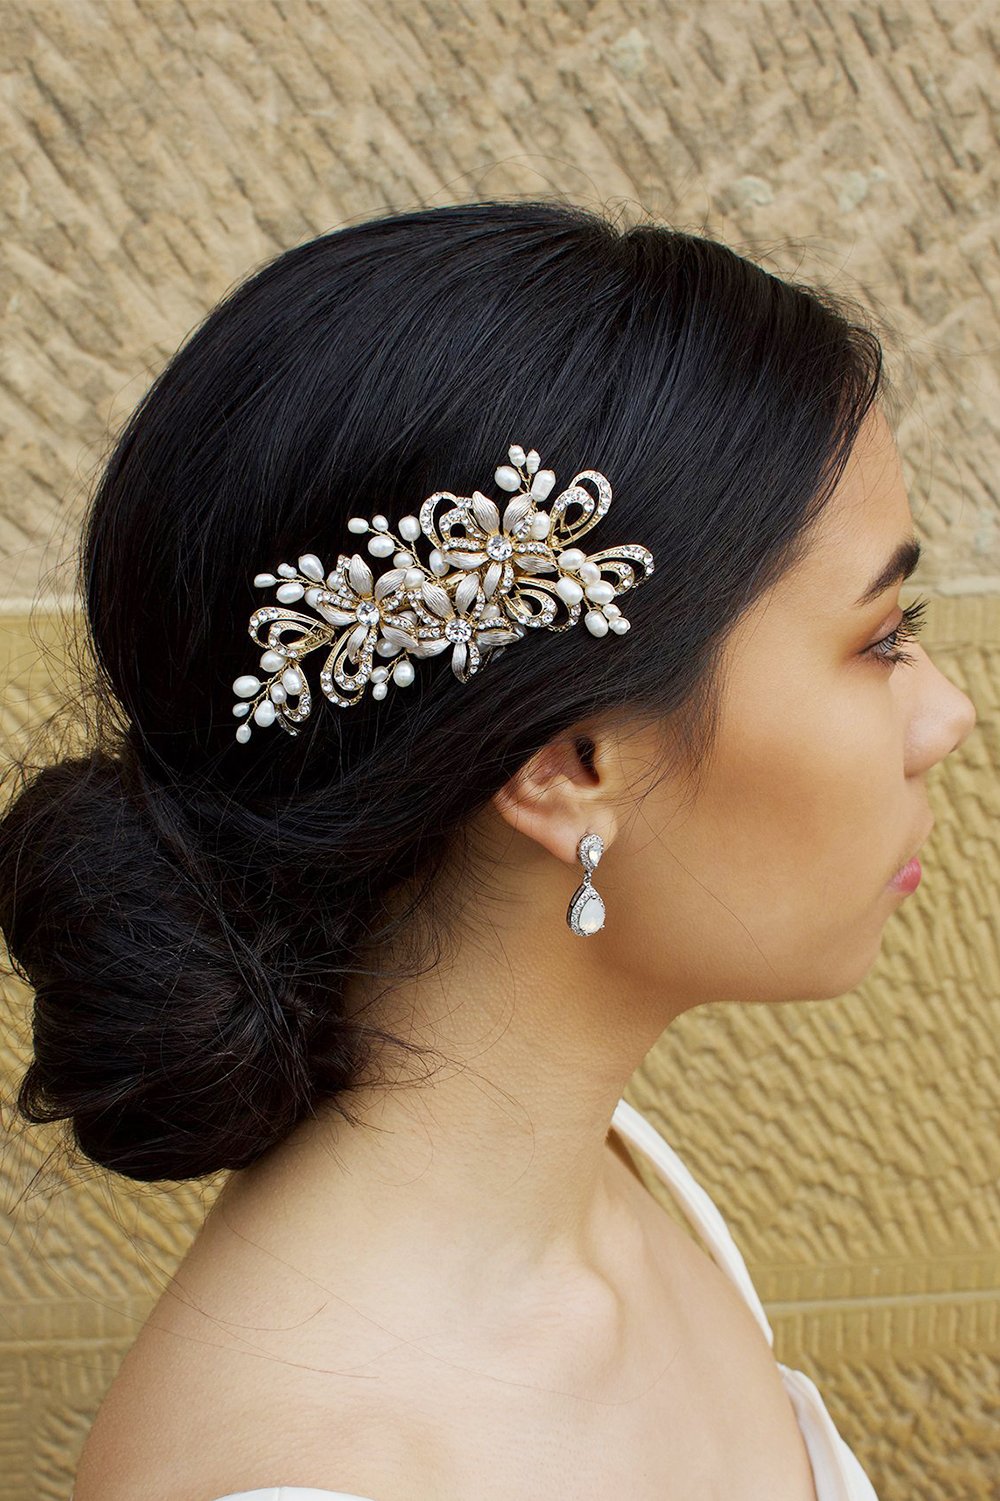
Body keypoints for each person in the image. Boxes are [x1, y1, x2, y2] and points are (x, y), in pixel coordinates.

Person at [0, 199, 976, 1501]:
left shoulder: (621, 1177)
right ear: (571, 766)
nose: (946, 715)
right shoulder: (315, 1466)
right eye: (878, 637)